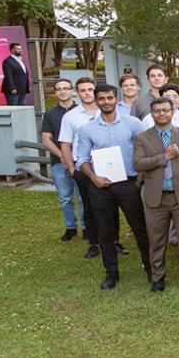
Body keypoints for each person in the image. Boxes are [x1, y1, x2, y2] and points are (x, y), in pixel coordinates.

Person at [74, 84, 151, 290]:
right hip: (100, 186)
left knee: (140, 228)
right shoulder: (87, 129)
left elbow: (146, 151)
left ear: (116, 100)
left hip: (128, 183)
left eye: (109, 98)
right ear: (96, 100)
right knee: (105, 232)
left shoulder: (133, 124)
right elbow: (81, 159)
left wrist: (140, 178)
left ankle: (151, 268)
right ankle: (111, 273)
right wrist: (93, 177)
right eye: (102, 98)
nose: (106, 102)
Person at [133, 97, 179, 293]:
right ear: (152, 113)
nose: (161, 114)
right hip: (155, 197)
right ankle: (157, 277)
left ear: (172, 112)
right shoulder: (142, 137)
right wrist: (164, 157)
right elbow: (138, 164)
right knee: (156, 240)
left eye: (165, 110)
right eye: (157, 111)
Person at [57, 78, 102, 258]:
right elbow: (65, 144)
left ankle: (114, 240)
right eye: (83, 90)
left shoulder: (106, 111)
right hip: (83, 167)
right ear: (77, 92)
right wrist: (71, 168)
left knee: (111, 205)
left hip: (107, 165)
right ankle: (94, 243)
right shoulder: (71, 116)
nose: (87, 93)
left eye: (90, 89)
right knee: (89, 206)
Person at [41, 79, 83, 241]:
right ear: (55, 92)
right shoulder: (50, 114)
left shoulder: (81, 111)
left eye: (66, 88)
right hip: (59, 163)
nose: (62, 91)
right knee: (65, 197)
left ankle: (87, 227)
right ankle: (70, 228)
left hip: (80, 161)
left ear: (72, 90)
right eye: (59, 89)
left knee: (82, 196)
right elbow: (46, 139)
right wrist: (62, 155)